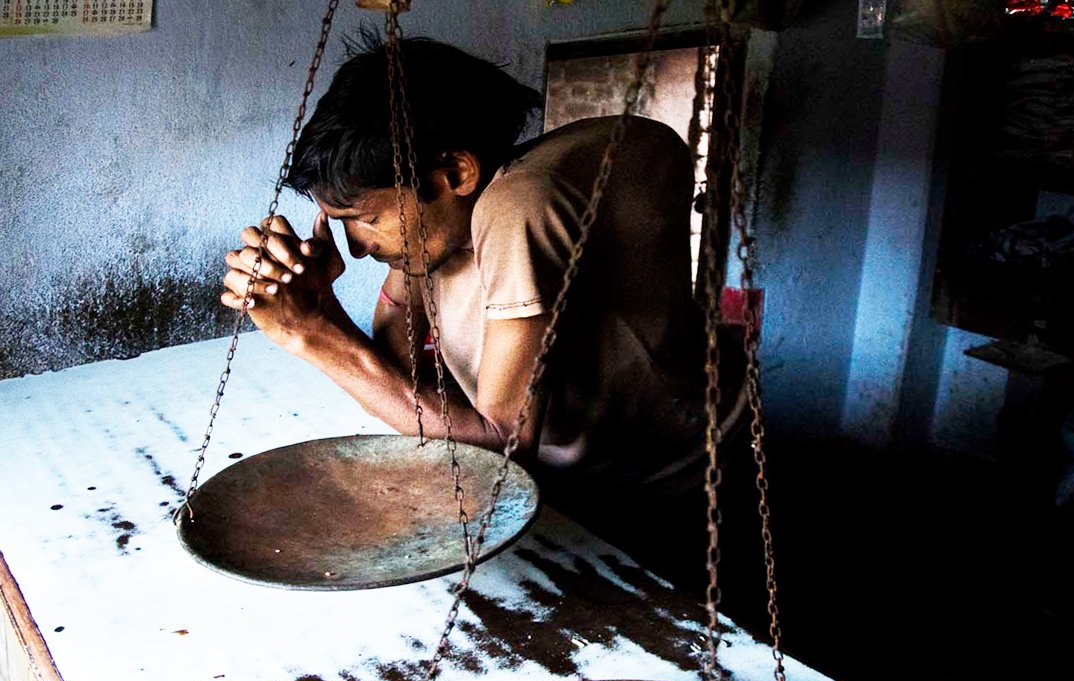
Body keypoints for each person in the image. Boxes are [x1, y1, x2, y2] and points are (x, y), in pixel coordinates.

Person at [221, 33, 752, 594]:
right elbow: (409, 378)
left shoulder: (518, 206)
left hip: (665, 489)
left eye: (366, 219)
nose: (356, 247)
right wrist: (321, 304)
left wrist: (312, 337)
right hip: (570, 478)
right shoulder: (439, 227)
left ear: (454, 173)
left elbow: (500, 445)